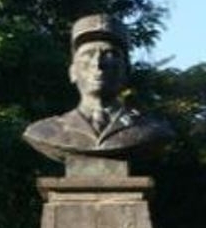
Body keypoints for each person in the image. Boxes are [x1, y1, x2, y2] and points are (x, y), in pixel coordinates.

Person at [22, 14, 173, 164]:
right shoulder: (46, 131)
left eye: (110, 54)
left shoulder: (150, 129)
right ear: (72, 72)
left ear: (126, 71)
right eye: (88, 54)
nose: (98, 64)